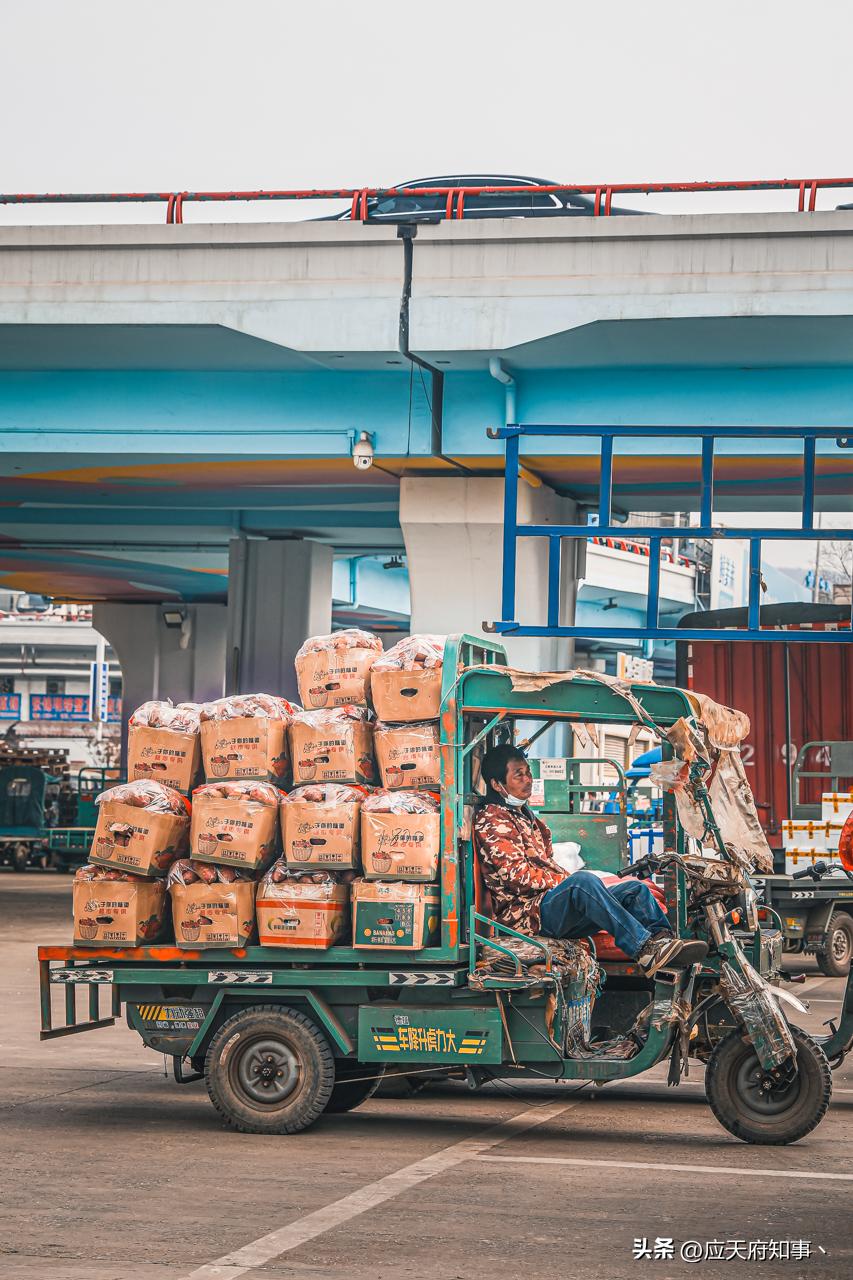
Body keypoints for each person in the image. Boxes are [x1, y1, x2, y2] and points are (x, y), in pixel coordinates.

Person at [473, 744, 706, 976]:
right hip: (526, 916)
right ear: (497, 785)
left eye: (528, 772)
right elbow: (517, 876)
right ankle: (643, 949)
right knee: (582, 883)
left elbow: (545, 863)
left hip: (546, 906)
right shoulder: (493, 820)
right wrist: (564, 880)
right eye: (519, 775)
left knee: (634, 889)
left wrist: (563, 881)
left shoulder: (526, 816)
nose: (528, 779)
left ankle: (662, 943)